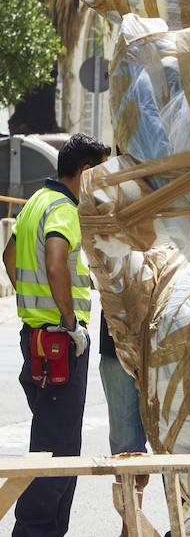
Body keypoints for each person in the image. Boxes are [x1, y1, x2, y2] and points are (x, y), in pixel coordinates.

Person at [3, 132, 110, 537]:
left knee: (58, 441)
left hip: (36, 338)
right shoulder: (64, 208)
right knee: (57, 448)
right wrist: (67, 321)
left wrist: (33, 308)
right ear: (85, 172)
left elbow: (9, 256)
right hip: (60, 343)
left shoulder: (34, 202)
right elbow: (54, 262)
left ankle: (47, 530)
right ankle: (34, 531)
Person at [100, 315, 150, 537]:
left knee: (179, 442)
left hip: (171, 341)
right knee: (126, 446)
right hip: (117, 343)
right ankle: (130, 529)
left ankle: (187, 524)